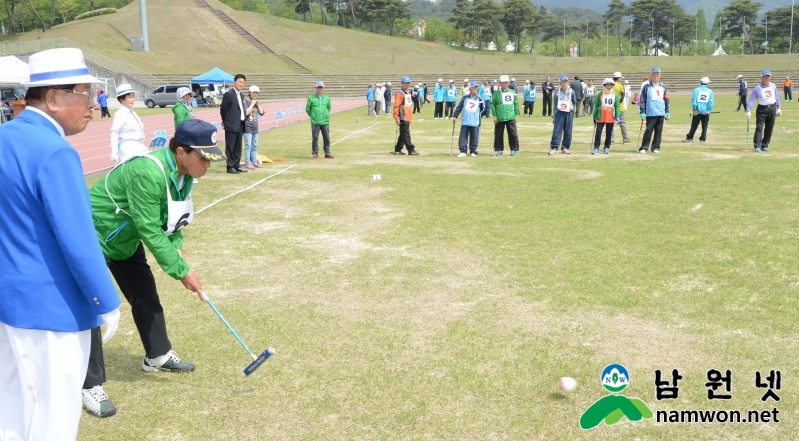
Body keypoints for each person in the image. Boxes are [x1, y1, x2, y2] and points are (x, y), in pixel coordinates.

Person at [0, 47, 121, 437]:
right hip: (52, 310)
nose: (93, 104)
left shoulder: (6, 137)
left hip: (9, 301)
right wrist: (107, 300)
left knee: (13, 413)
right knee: (52, 420)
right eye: (84, 93)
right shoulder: (55, 151)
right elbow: (78, 239)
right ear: (53, 98)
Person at [82, 119, 225, 417]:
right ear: (182, 151)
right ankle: (89, 385)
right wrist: (181, 271)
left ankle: (158, 355)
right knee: (93, 308)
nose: (208, 164)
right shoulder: (148, 171)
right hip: (93, 236)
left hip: (125, 239)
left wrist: (179, 256)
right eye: (203, 158)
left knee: (145, 294)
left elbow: (172, 222)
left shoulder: (184, 175)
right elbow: (149, 228)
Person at [110, 83, 148, 163]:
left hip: (139, 146)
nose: (133, 99)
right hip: (129, 149)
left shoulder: (132, 112)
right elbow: (114, 132)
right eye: (130, 97)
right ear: (121, 99)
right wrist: (114, 151)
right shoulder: (120, 113)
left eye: (133, 97)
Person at [746, 70, 781, 153]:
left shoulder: (773, 86)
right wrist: (748, 110)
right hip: (762, 109)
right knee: (759, 127)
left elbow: (777, 97)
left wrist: (779, 107)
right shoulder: (757, 88)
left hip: (772, 108)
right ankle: (757, 145)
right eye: (764, 77)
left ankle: (765, 144)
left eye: (768, 77)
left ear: (770, 77)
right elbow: (751, 100)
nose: (766, 79)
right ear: (761, 78)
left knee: (770, 127)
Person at [638, 67, 670, 154]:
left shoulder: (663, 86)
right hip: (650, 112)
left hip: (661, 112)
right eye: (654, 74)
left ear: (660, 75)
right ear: (651, 75)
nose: (656, 76)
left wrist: (667, 111)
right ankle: (644, 147)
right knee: (649, 130)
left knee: (658, 131)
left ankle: (656, 147)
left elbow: (666, 99)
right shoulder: (646, 86)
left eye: (657, 74)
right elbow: (643, 99)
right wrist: (642, 111)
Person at [220, 73, 248, 174]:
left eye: (243, 82)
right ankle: (230, 166)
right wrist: (225, 121)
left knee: (238, 146)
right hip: (231, 124)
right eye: (239, 82)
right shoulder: (229, 94)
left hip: (240, 124)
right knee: (230, 146)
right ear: (235, 82)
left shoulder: (241, 95)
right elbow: (223, 109)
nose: (241, 84)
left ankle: (236, 165)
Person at [451, 80, 485, 157]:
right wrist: (455, 116)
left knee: (474, 136)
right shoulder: (464, 98)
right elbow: (459, 107)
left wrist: (478, 116)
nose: (475, 89)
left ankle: (473, 150)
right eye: (474, 87)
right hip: (465, 121)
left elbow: (483, 109)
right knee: (463, 136)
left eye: (476, 87)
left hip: (475, 121)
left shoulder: (480, 99)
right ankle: (463, 151)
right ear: (469, 89)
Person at [491, 74, 520, 156]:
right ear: (500, 83)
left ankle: (513, 149)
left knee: (513, 134)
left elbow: (516, 104)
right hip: (500, 117)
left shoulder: (513, 92)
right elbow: (493, 104)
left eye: (506, 82)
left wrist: (515, 115)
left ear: (508, 83)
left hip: (510, 116)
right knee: (498, 134)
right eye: (503, 82)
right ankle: (499, 149)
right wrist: (495, 115)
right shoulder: (496, 93)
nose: (504, 84)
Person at [592, 78, 621, 155]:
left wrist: (617, 115)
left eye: (610, 84)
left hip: (610, 115)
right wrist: (594, 115)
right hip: (601, 115)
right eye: (607, 84)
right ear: (604, 85)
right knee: (598, 132)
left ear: (612, 85)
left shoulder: (615, 94)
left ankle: (606, 147)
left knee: (609, 132)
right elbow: (597, 105)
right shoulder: (600, 94)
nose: (609, 86)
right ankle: (596, 147)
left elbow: (617, 105)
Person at [549, 75, 577, 155]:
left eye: (565, 81)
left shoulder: (572, 91)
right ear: (560, 83)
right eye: (562, 82)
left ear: (567, 82)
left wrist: (570, 109)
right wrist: (554, 116)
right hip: (559, 113)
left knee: (568, 130)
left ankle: (565, 147)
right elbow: (555, 104)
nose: (564, 83)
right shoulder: (557, 92)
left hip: (569, 113)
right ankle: (554, 147)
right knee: (557, 130)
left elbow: (574, 101)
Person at [683, 77, 714, 144]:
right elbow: (710, 102)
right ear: (707, 83)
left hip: (697, 111)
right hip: (706, 112)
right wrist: (708, 110)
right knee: (705, 126)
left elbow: (694, 101)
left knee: (694, 125)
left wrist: (695, 109)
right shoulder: (710, 91)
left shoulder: (696, 90)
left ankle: (690, 138)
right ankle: (703, 139)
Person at [306, 81, 333, 159]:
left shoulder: (327, 98)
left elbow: (329, 108)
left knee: (327, 138)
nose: (320, 89)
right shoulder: (311, 98)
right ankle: (315, 153)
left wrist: (325, 115)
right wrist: (313, 116)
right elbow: (308, 109)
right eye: (318, 87)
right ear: (315, 88)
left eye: (321, 87)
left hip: (325, 121)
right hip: (315, 122)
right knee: (315, 138)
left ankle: (327, 153)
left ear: (323, 88)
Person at [393, 76, 419, 155]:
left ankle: (398, 148)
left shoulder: (409, 92)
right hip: (403, 116)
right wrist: (396, 116)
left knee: (403, 134)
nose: (407, 84)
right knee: (406, 133)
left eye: (408, 83)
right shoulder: (400, 93)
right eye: (405, 83)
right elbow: (397, 105)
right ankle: (410, 149)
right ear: (402, 83)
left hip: (408, 116)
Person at [243, 85, 265, 168]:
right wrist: (252, 104)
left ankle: (254, 161)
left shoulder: (256, 102)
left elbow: (262, 113)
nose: (255, 94)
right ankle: (248, 162)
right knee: (248, 145)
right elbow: (246, 113)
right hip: (247, 126)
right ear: (249, 93)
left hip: (255, 127)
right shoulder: (246, 102)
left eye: (257, 93)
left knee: (254, 145)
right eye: (253, 92)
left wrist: (258, 105)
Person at [611, 72, 630, 144]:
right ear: (618, 78)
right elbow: (622, 96)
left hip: (611, 106)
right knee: (622, 123)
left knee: (611, 123)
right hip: (620, 107)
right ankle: (625, 138)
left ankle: (611, 139)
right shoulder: (621, 86)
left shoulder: (610, 85)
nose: (621, 79)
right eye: (621, 78)